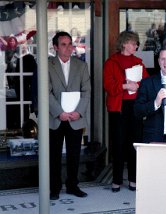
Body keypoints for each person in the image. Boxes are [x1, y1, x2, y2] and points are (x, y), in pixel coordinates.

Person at [103, 31, 149, 193]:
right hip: (118, 107)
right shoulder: (111, 62)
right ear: (124, 43)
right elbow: (108, 86)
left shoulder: (138, 62)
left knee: (134, 144)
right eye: (133, 43)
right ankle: (116, 180)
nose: (136, 46)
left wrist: (139, 86)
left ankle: (133, 179)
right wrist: (125, 86)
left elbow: (147, 84)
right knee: (118, 144)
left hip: (135, 107)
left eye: (136, 43)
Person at [48, 31, 91, 200]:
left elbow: (86, 91)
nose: (68, 48)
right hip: (55, 118)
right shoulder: (47, 65)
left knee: (74, 154)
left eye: (70, 44)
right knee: (54, 155)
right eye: (64, 45)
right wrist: (59, 113)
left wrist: (78, 112)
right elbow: (46, 92)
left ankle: (73, 185)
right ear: (56, 47)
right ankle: (54, 188)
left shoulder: (81, 66)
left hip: (75, 118)